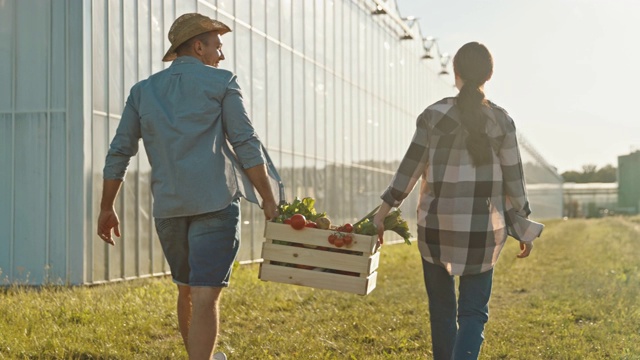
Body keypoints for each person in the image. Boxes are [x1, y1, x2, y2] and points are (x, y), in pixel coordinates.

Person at [97, 13, 280, 360]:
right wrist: (267, 198)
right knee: (206, 296)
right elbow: (245, 141)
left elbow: (120, 151)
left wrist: (107, 207)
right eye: (217, 47)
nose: (221, 56)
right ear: (198, 46)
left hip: (169, 209)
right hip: (214, 204)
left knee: (187, 291)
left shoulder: (142, 92)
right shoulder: (222, 82)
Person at [372, 42, 543, 360]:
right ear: (489, 75)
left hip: (436, 228)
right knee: (473, 312)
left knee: (441, 310)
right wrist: (524, 228)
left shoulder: (433, 117)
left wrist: (382, 213)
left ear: (456, 73)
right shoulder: (502, 122)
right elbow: (515, 184)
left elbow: (407, 173)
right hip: (483, 230)